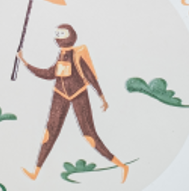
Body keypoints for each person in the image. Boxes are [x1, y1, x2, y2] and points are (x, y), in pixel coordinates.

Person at [17, 24, 128, 183]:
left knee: (89, 133)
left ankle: (121, 166)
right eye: (58, 34)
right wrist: (25, 63)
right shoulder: (61, 54)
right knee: (50, 132)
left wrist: (101, 95)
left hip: (78, 94)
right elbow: (50, 74)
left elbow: (89, 75)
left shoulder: (76, 54)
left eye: (62, 34)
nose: (59, 37)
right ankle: (35, 172)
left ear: (71, 36)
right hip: (60, 94)